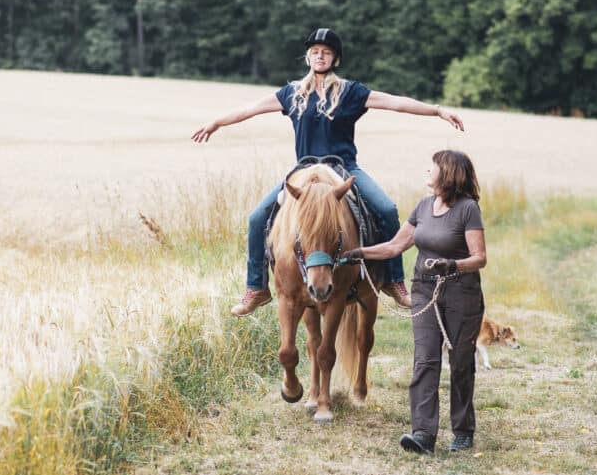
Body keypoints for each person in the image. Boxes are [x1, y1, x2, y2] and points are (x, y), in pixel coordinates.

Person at [191, 28, 465, 316]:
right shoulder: (292, 93)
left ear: (335, 58)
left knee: (386, 209)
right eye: (315, 52)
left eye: (326, 52)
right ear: (308, 56)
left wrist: (437, 110)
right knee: (258, 217)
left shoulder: (351, 92)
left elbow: (395, 102)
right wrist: (216, 123)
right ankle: (256, 288)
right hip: (304, 170)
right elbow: (250, 109)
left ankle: (394, 282)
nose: (319, 56)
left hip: (344, 167)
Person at [342, 150, 486, 454]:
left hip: (461, 292)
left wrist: (453, 265)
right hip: (424, 291)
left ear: (446, 174)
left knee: (460, 362)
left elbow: (479, 258)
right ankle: (422, 433)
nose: (427, 171)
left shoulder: (468, 209)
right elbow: (396, 245)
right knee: (425, 360)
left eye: (432, 168)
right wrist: (360, 253)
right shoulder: (422, 207)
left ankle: (462, 431)